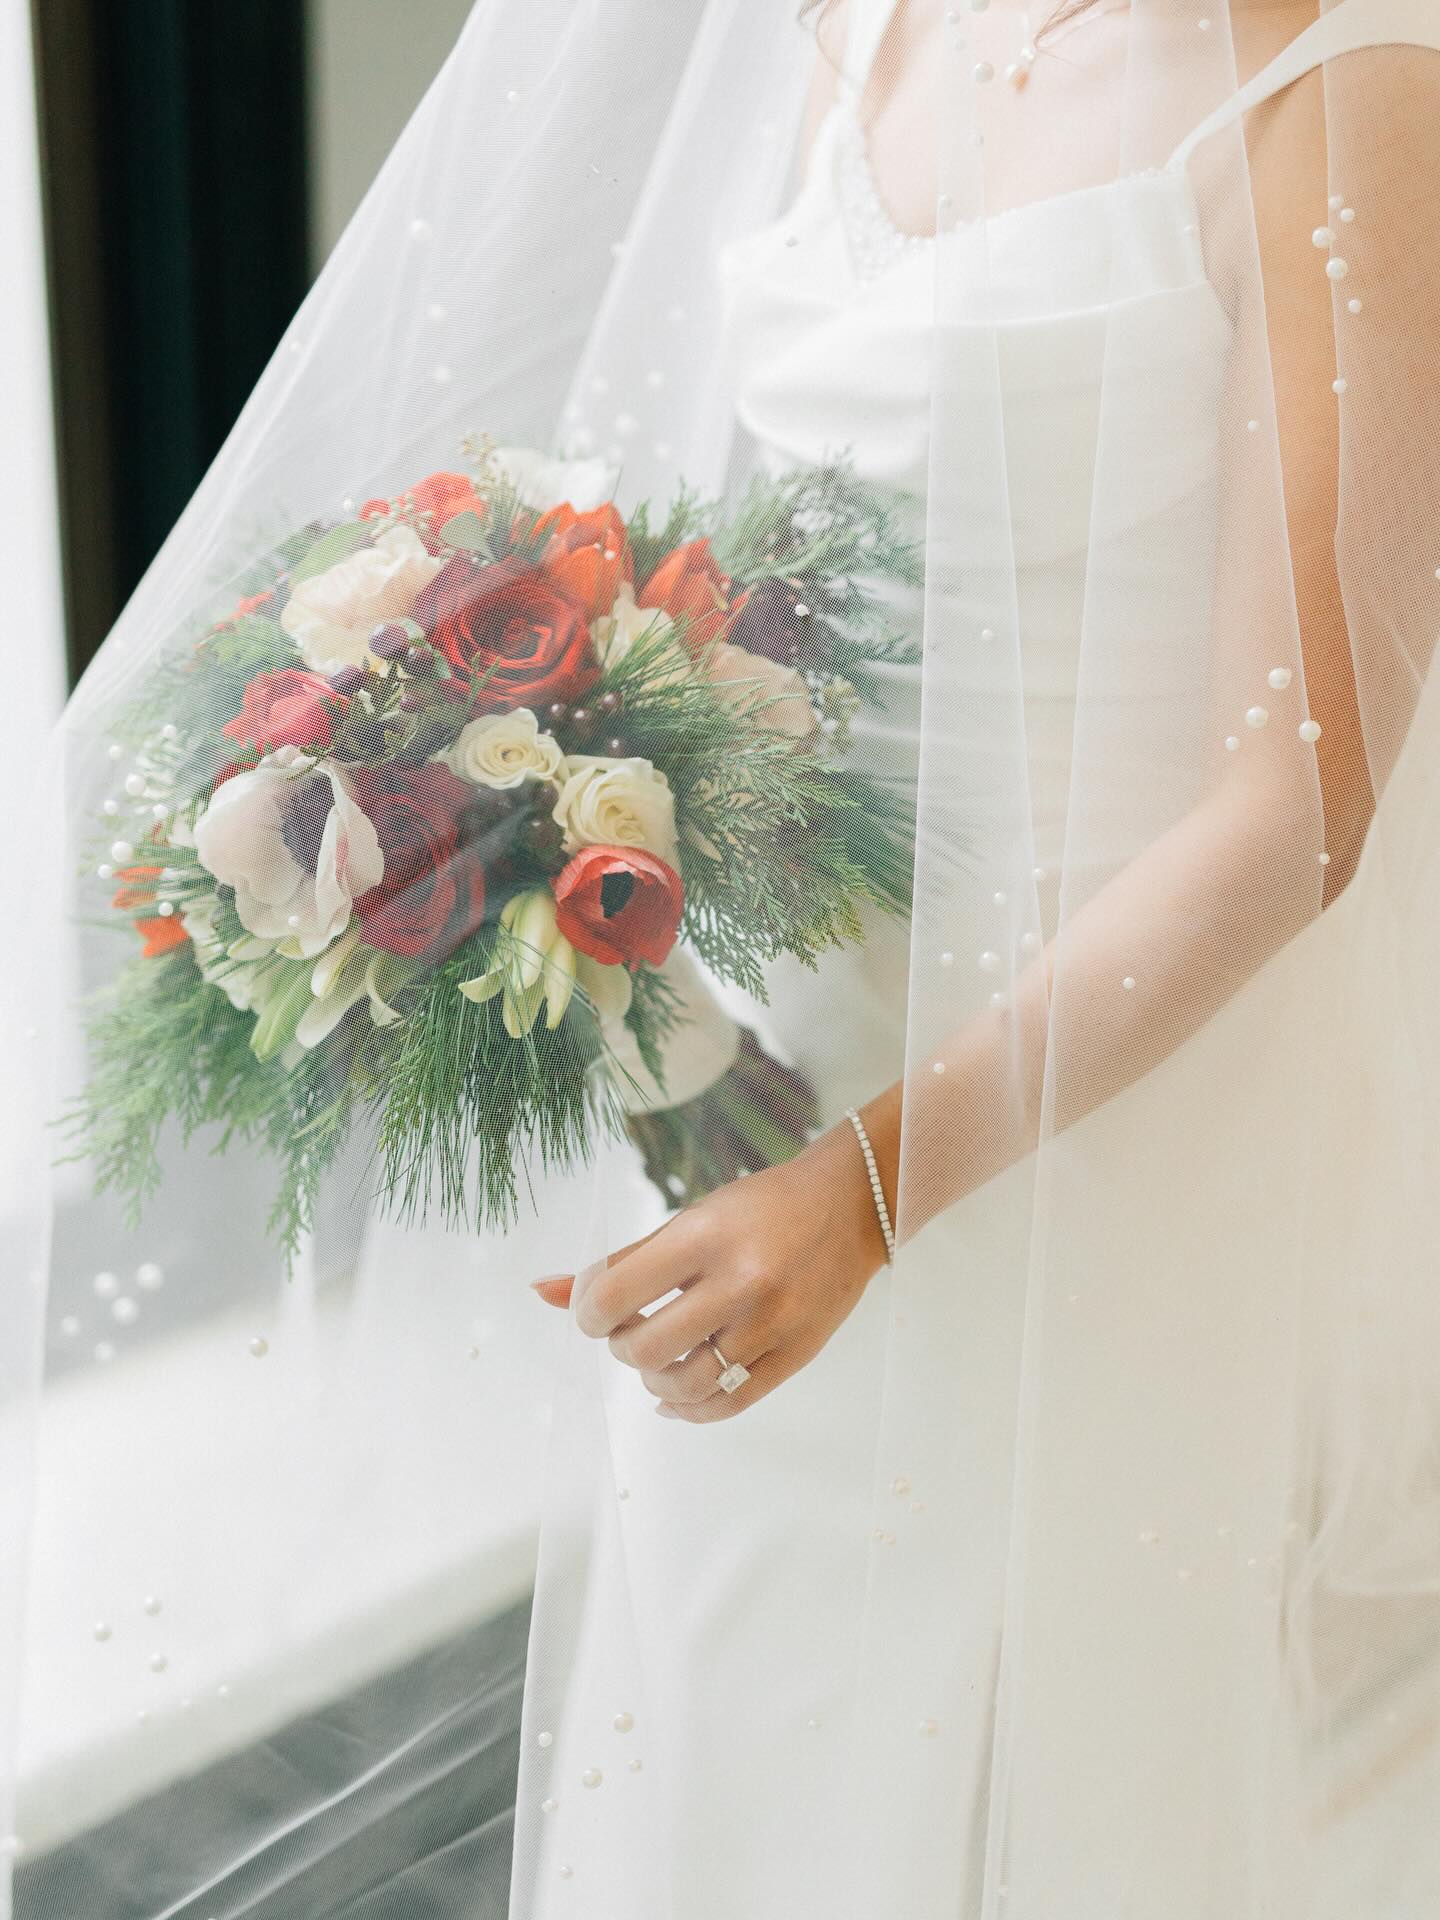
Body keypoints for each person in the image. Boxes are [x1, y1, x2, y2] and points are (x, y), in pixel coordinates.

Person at [5, 4, 1437, 1918]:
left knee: (1035, 1734)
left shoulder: (1343, 80)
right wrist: (545, 823)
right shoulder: (841, 27)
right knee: (743, 1681)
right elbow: (752, 591)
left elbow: (1299, 809)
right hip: (779, 1070)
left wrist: (874, 1183)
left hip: (1112, 1087)